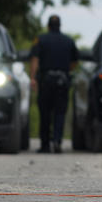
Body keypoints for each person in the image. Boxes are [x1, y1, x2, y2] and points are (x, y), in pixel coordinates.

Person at [29, 15, 79, 153]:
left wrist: (33, 78)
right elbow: (74, 62)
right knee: (60, 113)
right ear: (60, 26)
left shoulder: (41, 39)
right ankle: (57, 141)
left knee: (45, 113)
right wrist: (66, 71)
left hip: (46, 80)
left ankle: (45, 144)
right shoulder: (69, 41)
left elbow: (35, 59)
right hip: (62, 81)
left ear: (48, 26)